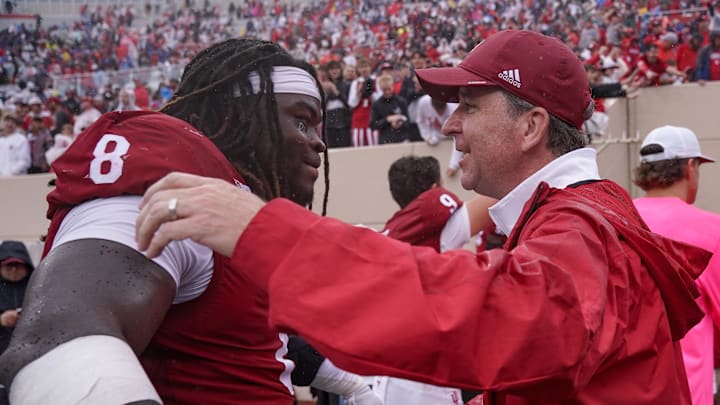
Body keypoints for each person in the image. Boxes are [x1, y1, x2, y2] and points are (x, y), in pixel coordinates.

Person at [135, 30, 712, 404]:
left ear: (532, 126)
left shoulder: (583, 224)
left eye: (468, 106)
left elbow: (499, 313)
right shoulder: (577, 215)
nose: (450, 125)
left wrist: (265, 233)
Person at [0, 38, 380, 405]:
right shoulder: (170, 182)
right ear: (235, 116)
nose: (318, 143)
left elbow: (236, 337)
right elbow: (57, 346)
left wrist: (351, 383)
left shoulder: (227, 202)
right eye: (301, 121)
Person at [378, 155, 494, 404]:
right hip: (423, 375)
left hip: (391, 367)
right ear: (433, 190)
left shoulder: (393, 229)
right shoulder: (438, 226)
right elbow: (503, 195)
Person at [632, 125, 720, 405]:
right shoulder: (712, 230)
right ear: (690, 167)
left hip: (623, 388)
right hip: (688, 392)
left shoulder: (614, 219)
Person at [0, 241, 33, 355]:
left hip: (31, 351)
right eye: (9, 265)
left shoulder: (38, 285)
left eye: (17, 264)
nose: (13, 269)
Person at [370, 75, 410, 144]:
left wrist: (400, 122)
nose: (387, 92)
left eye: (389, 89)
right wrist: (387, 120)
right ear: (380, 88)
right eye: (384, 90)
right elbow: (373, 125)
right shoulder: (377, 104)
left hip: (402, 139)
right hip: (386, 140)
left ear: (393, 86)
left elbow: (408, 121)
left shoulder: (401, 101)